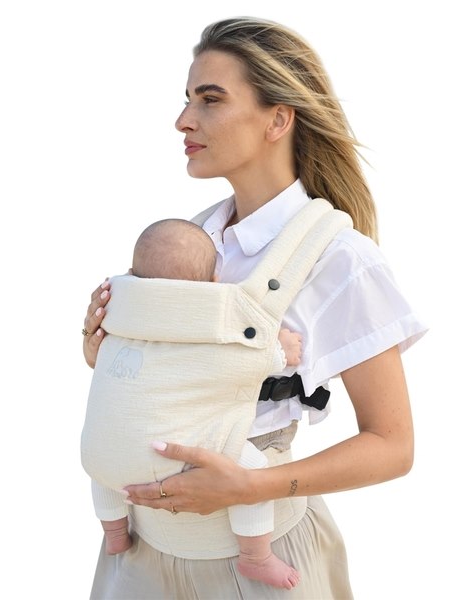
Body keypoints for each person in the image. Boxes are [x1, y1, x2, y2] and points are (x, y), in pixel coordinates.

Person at [81, 16, 428, 599]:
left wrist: (252, 486)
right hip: (138, 554)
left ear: (278, 119)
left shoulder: (340, 259)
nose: (183, 119)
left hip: (258, 562)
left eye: (210, 99)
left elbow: (393, 446)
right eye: (187, 99)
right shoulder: (187, 241)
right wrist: (103, 347)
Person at [81, 217, 303, 589]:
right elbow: (238, 362)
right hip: (167, 454)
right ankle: (256, 556)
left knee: (107, 462)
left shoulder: (118, 313)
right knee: (253, 469)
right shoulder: (205, 328)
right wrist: (280, 352)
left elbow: (101, 357)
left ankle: (114, 532)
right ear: (214, 283)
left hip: (99, 452)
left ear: (133, 274)